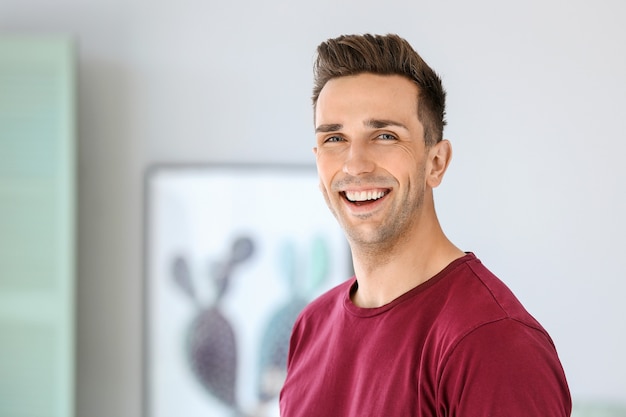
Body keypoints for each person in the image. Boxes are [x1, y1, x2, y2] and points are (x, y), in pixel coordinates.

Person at [279, 33, 571, 416]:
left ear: (436, 162)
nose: (354, 164)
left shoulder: (492, 342)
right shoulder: (310, 327)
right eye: (335, 138)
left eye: (385, 135)